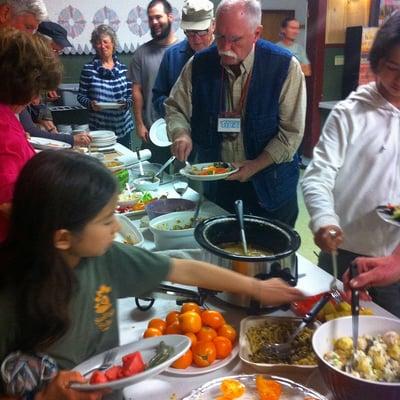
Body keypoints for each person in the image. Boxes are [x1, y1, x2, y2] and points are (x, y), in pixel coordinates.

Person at [0, 150, 304, 399]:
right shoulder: (10, 299)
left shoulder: (104, 259)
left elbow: (182, 268)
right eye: (107, 221)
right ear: (63, 238)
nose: (117, 228)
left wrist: (255, 287)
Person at [165, 0, 306, 227]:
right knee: (221, 252)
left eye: (235, 39)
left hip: (271, 190)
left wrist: (255, 165)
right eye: (220, 37)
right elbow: (175, 106)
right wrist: (181, 133)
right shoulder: (199, 64)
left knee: (269, 258)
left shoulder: (284, 67)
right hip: (220, 189)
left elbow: (290, 134)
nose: (225, 47)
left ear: (256, 33)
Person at [302, 13, 400, 317]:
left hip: (395, 258)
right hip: (343, 253)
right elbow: (318, 176)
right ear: (378, 60)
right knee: (331, 331)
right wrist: (324, 220)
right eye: (393, 68)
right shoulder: (351, 113)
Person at [0, 28, 62, 243]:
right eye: (37, 89)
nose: (36, 98)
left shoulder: (8, 115)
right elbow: (9, 204)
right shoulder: (3, 128)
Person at [128, 0, 177, 162]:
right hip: (152, 131)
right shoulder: (141, 54)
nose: (154, 22)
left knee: (182, 179)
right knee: (153, 175)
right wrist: (140, 124)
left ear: (170, 17)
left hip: (183, 131)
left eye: (158, 17)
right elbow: (136, 92)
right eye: (150, 18)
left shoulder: (184, 50)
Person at [152, 0, 215, 118]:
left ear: (213, 25)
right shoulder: (171, 56)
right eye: (190, 32)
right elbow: (158, 97)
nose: (196, 39)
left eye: (201, 31)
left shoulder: (225, 55)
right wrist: (174, 109)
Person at [77, 24, 134, 149]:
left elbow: (131, 96)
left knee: (124, 164)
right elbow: (81, 96)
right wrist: (90, 104)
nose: (102, 46)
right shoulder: (88, 69)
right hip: (99, 131)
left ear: (113, 43)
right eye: (98, 43)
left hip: (123, 128)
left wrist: (125, 103)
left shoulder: (124, 69)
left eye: (105, 41)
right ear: (94, 46)